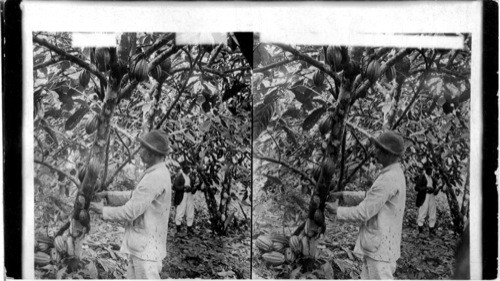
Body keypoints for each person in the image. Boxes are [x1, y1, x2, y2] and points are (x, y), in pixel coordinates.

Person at [89, 130, 171, 279]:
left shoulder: (155, 177)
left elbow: (130, 212)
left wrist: (103, 211)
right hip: (143, 246)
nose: (139, 152)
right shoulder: (157, 172)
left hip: (146, 250)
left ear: (152, 153)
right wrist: (109, 196)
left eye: (142, 148)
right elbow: (136, 196)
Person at [330, 131, 406, 279]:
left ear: (388, 153)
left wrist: (337, 211)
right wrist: (345, 195)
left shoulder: (388, 178)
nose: (374, 152)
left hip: (380, 251)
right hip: (381, 248)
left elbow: (364, 212)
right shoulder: (394, 173)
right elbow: (372, 197)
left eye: (378, 149)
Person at [415, 164, 440, 236]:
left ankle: (431, 230)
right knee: (422, 212)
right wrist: (426, 188)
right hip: (424, 195)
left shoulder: (432, 178)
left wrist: (436, 189)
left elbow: (436, 188)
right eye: (429, 169)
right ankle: (420, 232)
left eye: (431, 170)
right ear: (426, 170)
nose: (430, 171)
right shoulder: (422, 177)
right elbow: (416, 188)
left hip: (431, 195)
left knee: (432, 212)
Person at [173, 162, 196, 235]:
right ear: (183, 169)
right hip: (182, 195)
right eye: (186, 168)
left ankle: (189, 229)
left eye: (189, 168)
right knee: (180, 211)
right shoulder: (180, 176)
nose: (188, 169)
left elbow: (192, 186)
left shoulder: (190, 176)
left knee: (190, 211)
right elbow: (174, 187)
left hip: (189, 195)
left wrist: (192, 188)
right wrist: (183, 188)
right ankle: (178, 230)